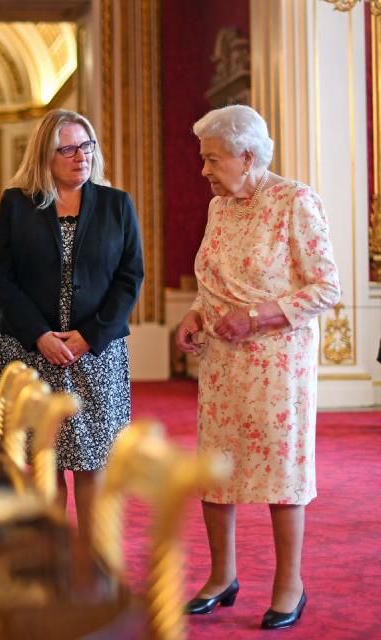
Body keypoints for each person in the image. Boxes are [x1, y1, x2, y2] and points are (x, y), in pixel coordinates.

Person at [176, 105, 340, 630]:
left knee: (281, 473)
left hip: (276, 366)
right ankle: (222, 575)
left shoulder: (295, 201)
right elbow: (211, 280)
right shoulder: (219, 207)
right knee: (216, 470)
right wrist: (196, 314)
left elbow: (326, 287)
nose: (204, 170)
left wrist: (256, 316)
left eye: (212, 159)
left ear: (247, 158)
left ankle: (289, 584)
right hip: (222, 365)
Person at [0, 109, 143, 533]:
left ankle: (92, 557)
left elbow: (130, 278)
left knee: (93, 461)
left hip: (96, 354)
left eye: (86, 146)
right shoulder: (16, 205)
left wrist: (89, 337)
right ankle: (50, 554)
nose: (81, 157)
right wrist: (40, 335)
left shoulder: (116, 205)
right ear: (45, 155)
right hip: (29, 350)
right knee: (44, 456)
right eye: (69, 149)